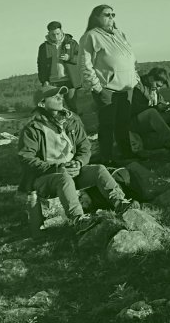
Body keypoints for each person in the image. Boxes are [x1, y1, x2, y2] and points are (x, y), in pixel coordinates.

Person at [18, 85, 137, 231]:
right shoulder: (32, 128)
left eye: (61, 94)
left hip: (72, 170)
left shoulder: (72, 119)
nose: (60, 97)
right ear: (42, 103)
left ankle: (120, 203)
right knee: (64, 179)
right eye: (54, 96)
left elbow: (85, 147)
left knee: (99, 169)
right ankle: (78, 220)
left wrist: (79, 163)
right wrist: (56, 168)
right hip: (46, 176)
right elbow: (26, 158)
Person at [79, 5, 139, 164]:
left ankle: (126, 154)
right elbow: (85, 64)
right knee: (107, 124)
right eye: (107, 14)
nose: (111, 17)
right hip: (107, 89)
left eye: (113, 14)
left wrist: (135, 78)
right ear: (96, 17)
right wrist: (97, 86)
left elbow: (131, 59)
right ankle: (107, 158)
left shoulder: (120, 34)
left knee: (123, 123)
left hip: (127, 87)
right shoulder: (90, 36)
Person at [37, 21, 81, 112]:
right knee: (55, 109)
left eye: (58, 34)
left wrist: (70, 58)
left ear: (61, 31)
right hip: (53, 83)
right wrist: (44, 80)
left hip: (69, 81)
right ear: (48, 33)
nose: (56, 37)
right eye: (53, 35)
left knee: (72, 107)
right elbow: (40, 65)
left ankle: (77, 125)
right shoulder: (43, 47)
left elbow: (81, 58)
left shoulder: (72, 43)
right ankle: (60, 126)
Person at [131, 67, 170, 150]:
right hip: (135, 120)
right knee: (152, 112)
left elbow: (160, 102)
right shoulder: (137, 85)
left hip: (150, 117)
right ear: (151, 78)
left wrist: (165, 106)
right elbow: (134, 108)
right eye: (158, 85)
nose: (158, 88)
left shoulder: (153, 87)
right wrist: (156, 107)